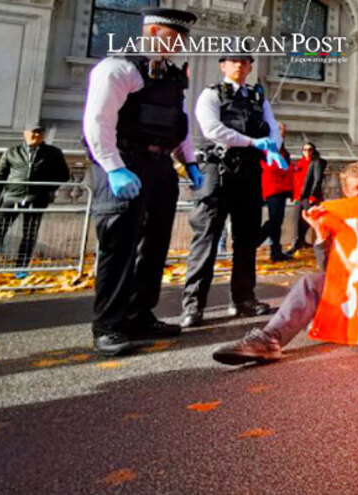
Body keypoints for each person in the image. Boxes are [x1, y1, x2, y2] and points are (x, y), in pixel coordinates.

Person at [82, 7, 201, 356]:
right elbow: (98, 121)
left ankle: (139, 314)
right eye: (173, 37)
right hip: (124, 162)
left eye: (182, 38)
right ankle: (108, 325)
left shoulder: (172, 77)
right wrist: (113, 167)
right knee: (119, 246)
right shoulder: (118, 68)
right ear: (151, 33)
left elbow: (179, 125)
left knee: (155, 245)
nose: (180, 44)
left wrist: (189, 163)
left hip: (161, 165)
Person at [211, 162, 358, 365]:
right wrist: (320, 233)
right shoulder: (338, 219)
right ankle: (269, 340)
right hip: (355, 289)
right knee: (311, 282)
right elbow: (328, 272)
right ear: (346, 192)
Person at [179, 53, 286, 329]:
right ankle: (193, 305)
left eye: (245, 61)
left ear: (250, 67)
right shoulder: (211, 94)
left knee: (246, 239)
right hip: (218, 172)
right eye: (233, 60)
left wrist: (272, 145)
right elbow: (213, 129)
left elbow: (272, 127)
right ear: (223, 65)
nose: (240, 65)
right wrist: (253, 142)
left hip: (249, 173)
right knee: (207, 237)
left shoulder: (257, 97)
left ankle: (243, 299)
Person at [0, 123, 71, 278]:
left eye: (40, 132)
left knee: (29, 234)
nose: (36, 135)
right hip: (11, 198)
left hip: (36, 200)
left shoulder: (53, 153)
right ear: (25, 133)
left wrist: (46, 189)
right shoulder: (12, 152)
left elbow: (63, 175)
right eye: (33, 132)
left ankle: (21, 267)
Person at [260, 123, 293, 262]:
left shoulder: (283, 149)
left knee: (277, 221)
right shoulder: (268, 147)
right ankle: (257, 239)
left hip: (281, 189)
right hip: (273, 188)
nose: (283, 133)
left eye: (284, 131)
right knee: (274, 220)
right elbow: (272, 167)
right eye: (280, 130)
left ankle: (276, 251)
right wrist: (287, 169)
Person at [285, 142, 325, 255]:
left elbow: (317, 180)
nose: (307, 152)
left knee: (307, 219)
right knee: (297, 220)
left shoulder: (316, 162)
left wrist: (313, 195)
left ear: (314, 151)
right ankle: (298, 242)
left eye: (310, 149)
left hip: (308, 196)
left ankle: (299, 242)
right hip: (299, 196)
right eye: (305, 150)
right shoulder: (300, 164)